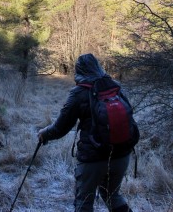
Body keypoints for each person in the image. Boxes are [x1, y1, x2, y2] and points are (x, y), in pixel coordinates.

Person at [38, 53, 134, 212]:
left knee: (84, 202)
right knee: (113, 195)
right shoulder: (115, 86)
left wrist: (44, 133)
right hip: (121, 154)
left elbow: (60, 128)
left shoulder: (79, 92)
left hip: (93, 157)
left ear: (79, 71)